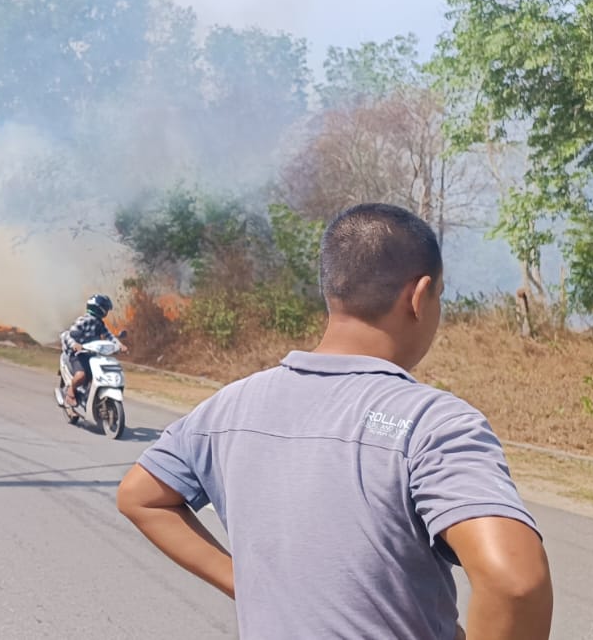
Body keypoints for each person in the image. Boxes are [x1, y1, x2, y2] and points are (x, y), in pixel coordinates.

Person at [117, 203, 552, 640]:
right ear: (419, 297)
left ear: (333, 291)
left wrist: (246, 585)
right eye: (440, 295)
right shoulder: (433, 423)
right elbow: (514, 583)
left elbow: (140, 497)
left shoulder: (229, 406)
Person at [60, 293, 123, 410]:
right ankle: (70, 391)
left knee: (100, 376)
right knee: (81, 375)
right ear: (99, 308)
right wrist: (75, 345)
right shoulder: (83, 320)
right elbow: (68, 334)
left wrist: (119, 345)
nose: (106, 311)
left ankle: (90, 397)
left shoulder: (100, 323)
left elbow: (109, 335)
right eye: (105, 308)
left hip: (93, 356)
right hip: (78, 355)